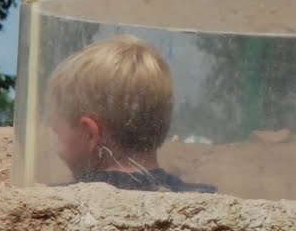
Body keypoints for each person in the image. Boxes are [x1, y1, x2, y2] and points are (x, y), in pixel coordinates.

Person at [44, 34, 215, 193]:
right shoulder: (201, 197)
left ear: (89, 134)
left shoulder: (60, 201)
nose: (58, 152)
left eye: (58, 133)